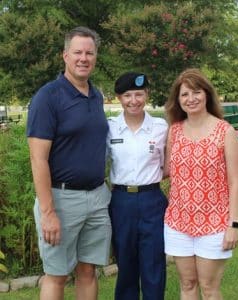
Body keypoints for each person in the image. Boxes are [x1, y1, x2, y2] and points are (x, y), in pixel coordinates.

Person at [27, 26, 111, 300]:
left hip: (97, 197)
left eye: (89, 53)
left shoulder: (96, 96)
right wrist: (49, 212)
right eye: (77, 52)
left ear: (95, 57)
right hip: (61, 200)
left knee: (88, 271)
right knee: (57, 275)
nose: (83, 58)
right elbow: (38, 159)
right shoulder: (48, 97)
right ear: (65, 55)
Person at [163, 68, 238, 300]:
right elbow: (165, 170)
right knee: (187, 284)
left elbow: (235, 182)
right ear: (178, 100)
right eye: (185, 94)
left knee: (208, 288)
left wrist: (233, 224)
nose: (191, 99)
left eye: (196, 92)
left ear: (207, 94)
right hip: (178, 222)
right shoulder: (174, 131)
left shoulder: (224, 131)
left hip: (215, 223)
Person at [106, 72, 168, 300]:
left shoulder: (160, 127)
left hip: (152, 199)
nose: (134, 100)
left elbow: (167, 166)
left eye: (139, 94)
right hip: (121, 201)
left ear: (147, 95)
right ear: (118, 98)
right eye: (127, 95)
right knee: (126, 262)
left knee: (153, 263)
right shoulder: (110, 127)